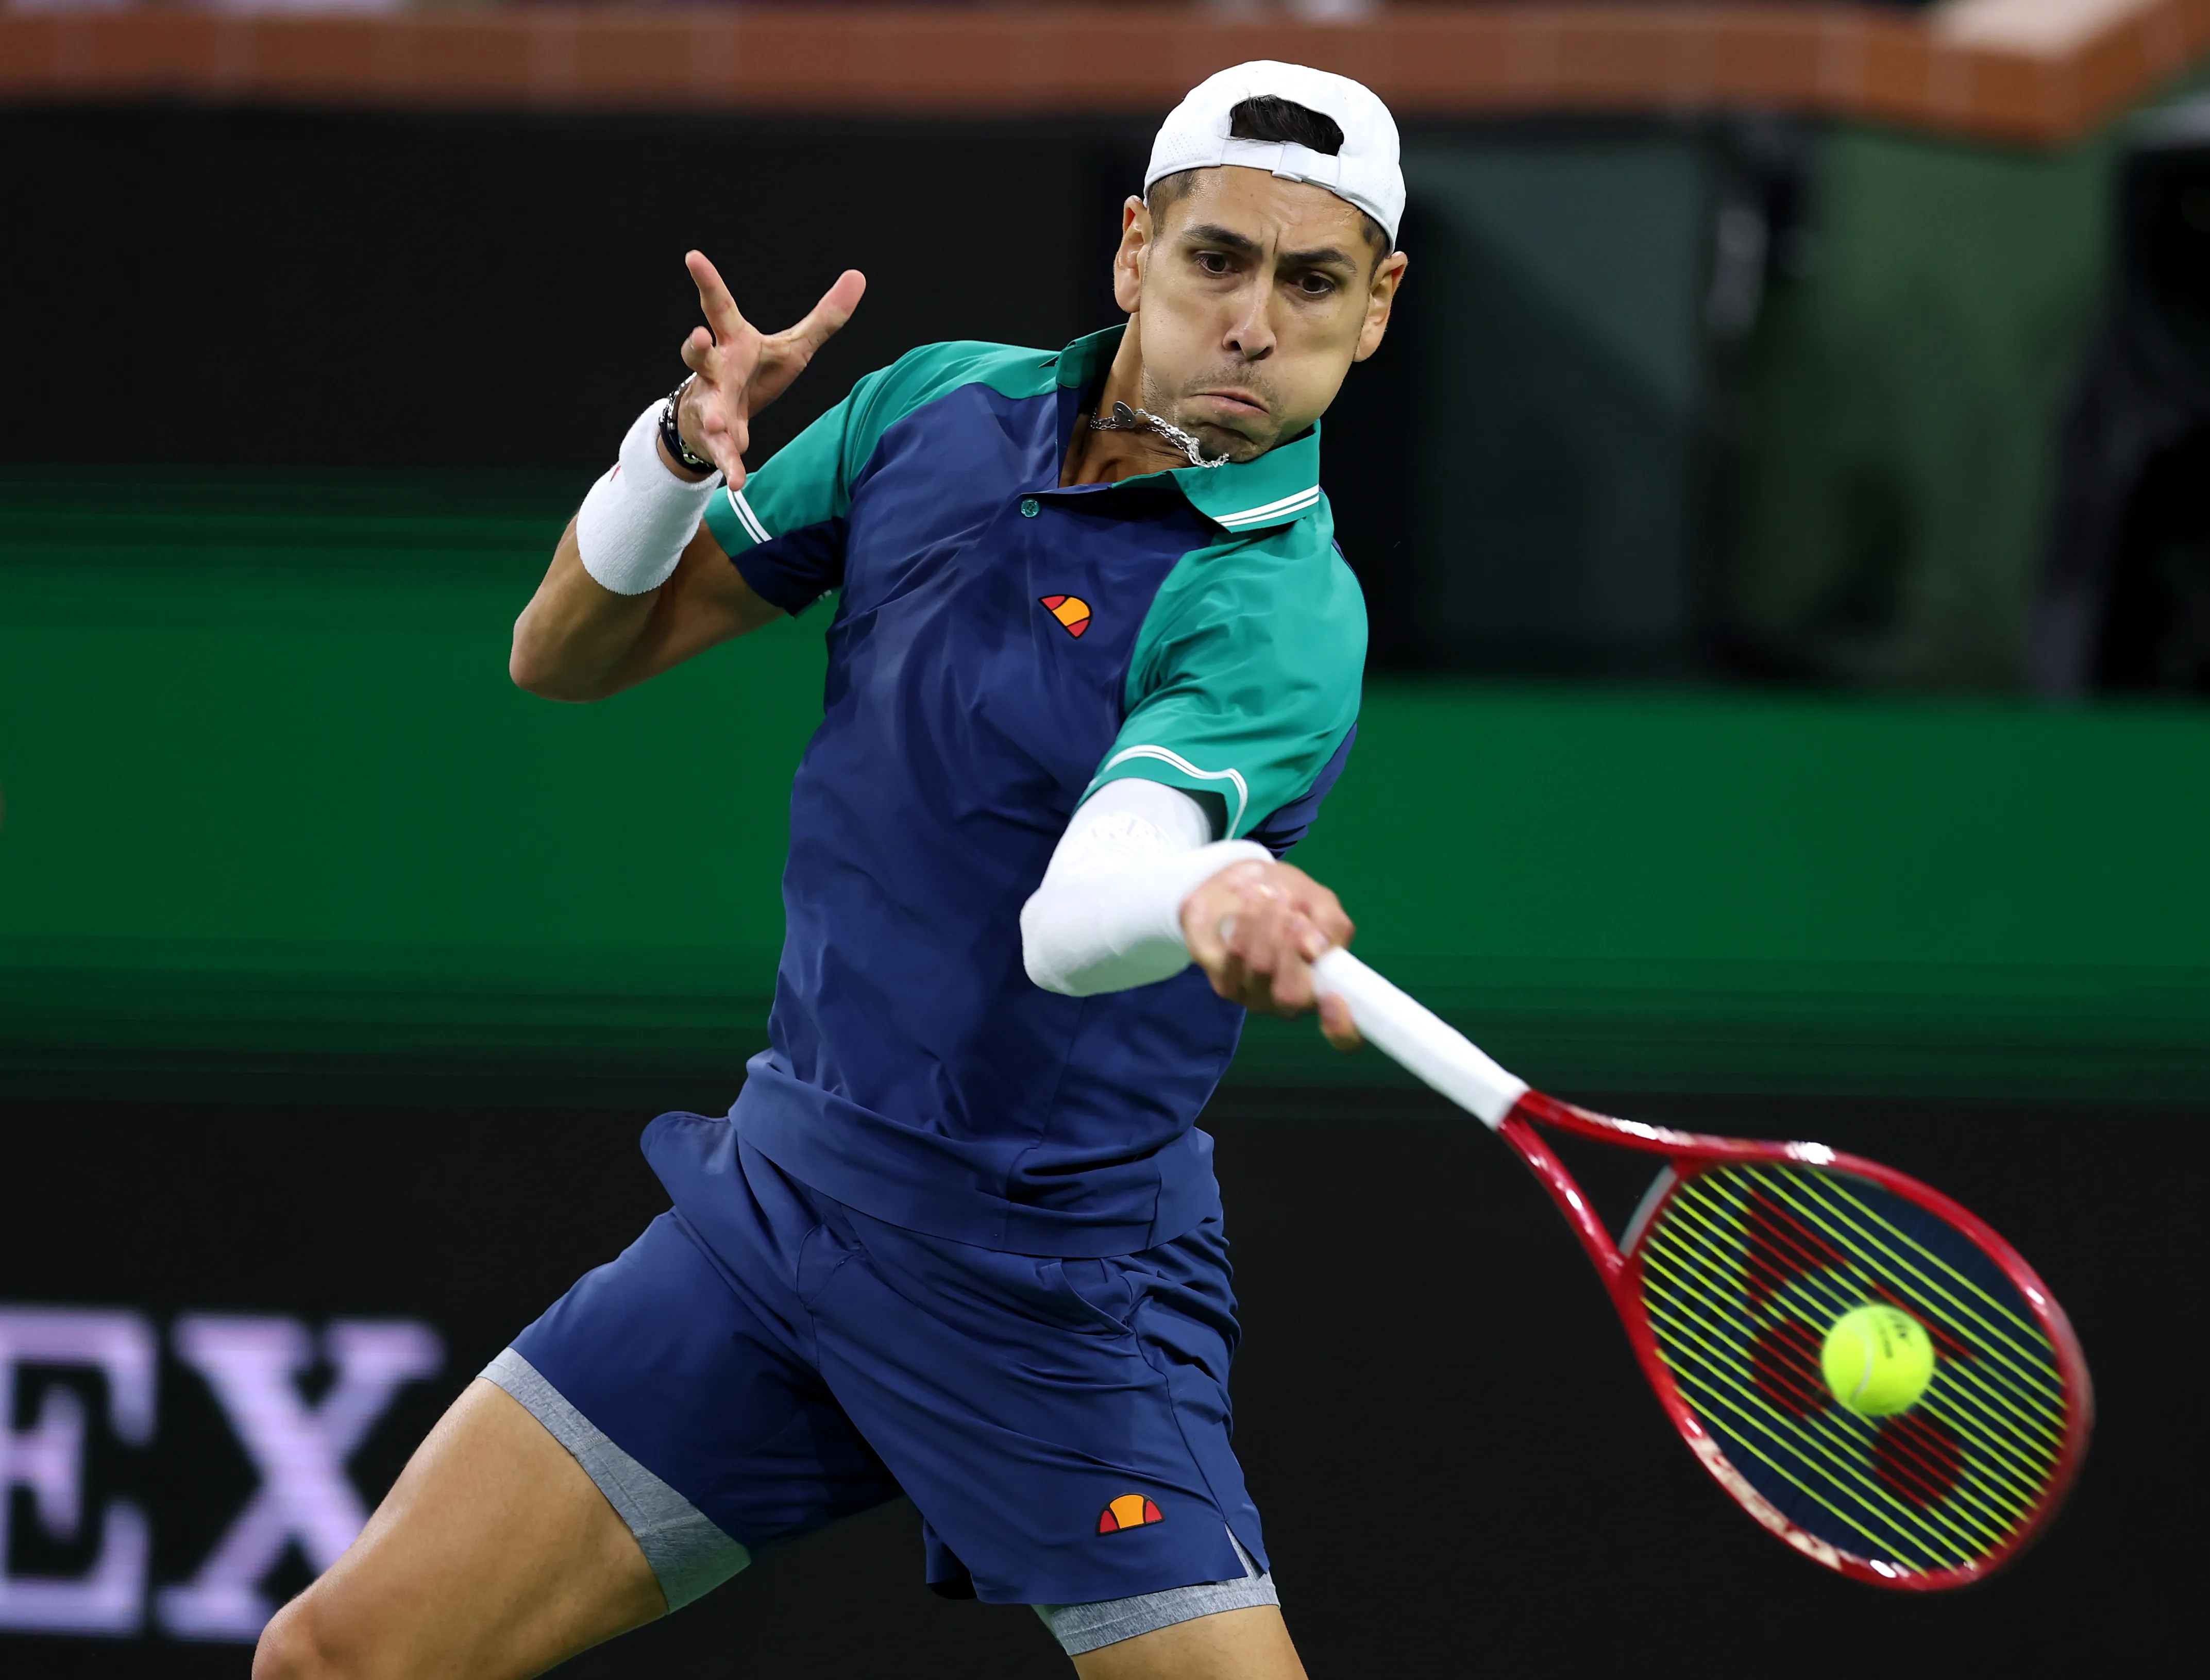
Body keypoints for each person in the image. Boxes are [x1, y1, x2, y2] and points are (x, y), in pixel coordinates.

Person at [252, 59, 1408, 1680]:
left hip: (1044, 1284)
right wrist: (671, 452)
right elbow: (563, 654)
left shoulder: (1281, 612)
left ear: (1374, 311)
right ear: (1135, 247)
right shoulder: (934, 410)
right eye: (1218, 259)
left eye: (1312, 284)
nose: (1251, 321)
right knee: (336, 1661)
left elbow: (1082, 915)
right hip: (784, 1208)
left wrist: (1197, 890)